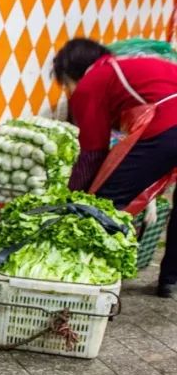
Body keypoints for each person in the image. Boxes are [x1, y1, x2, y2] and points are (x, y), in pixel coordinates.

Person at [53, 37, 177, 297]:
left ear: (69, 72)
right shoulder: (127, 67)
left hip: (169, 128)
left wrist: (75, 197)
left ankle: (88, 282)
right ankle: (170, 280)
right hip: (169, 128)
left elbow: (93, 151)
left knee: (106, 204)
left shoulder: (93, 80)